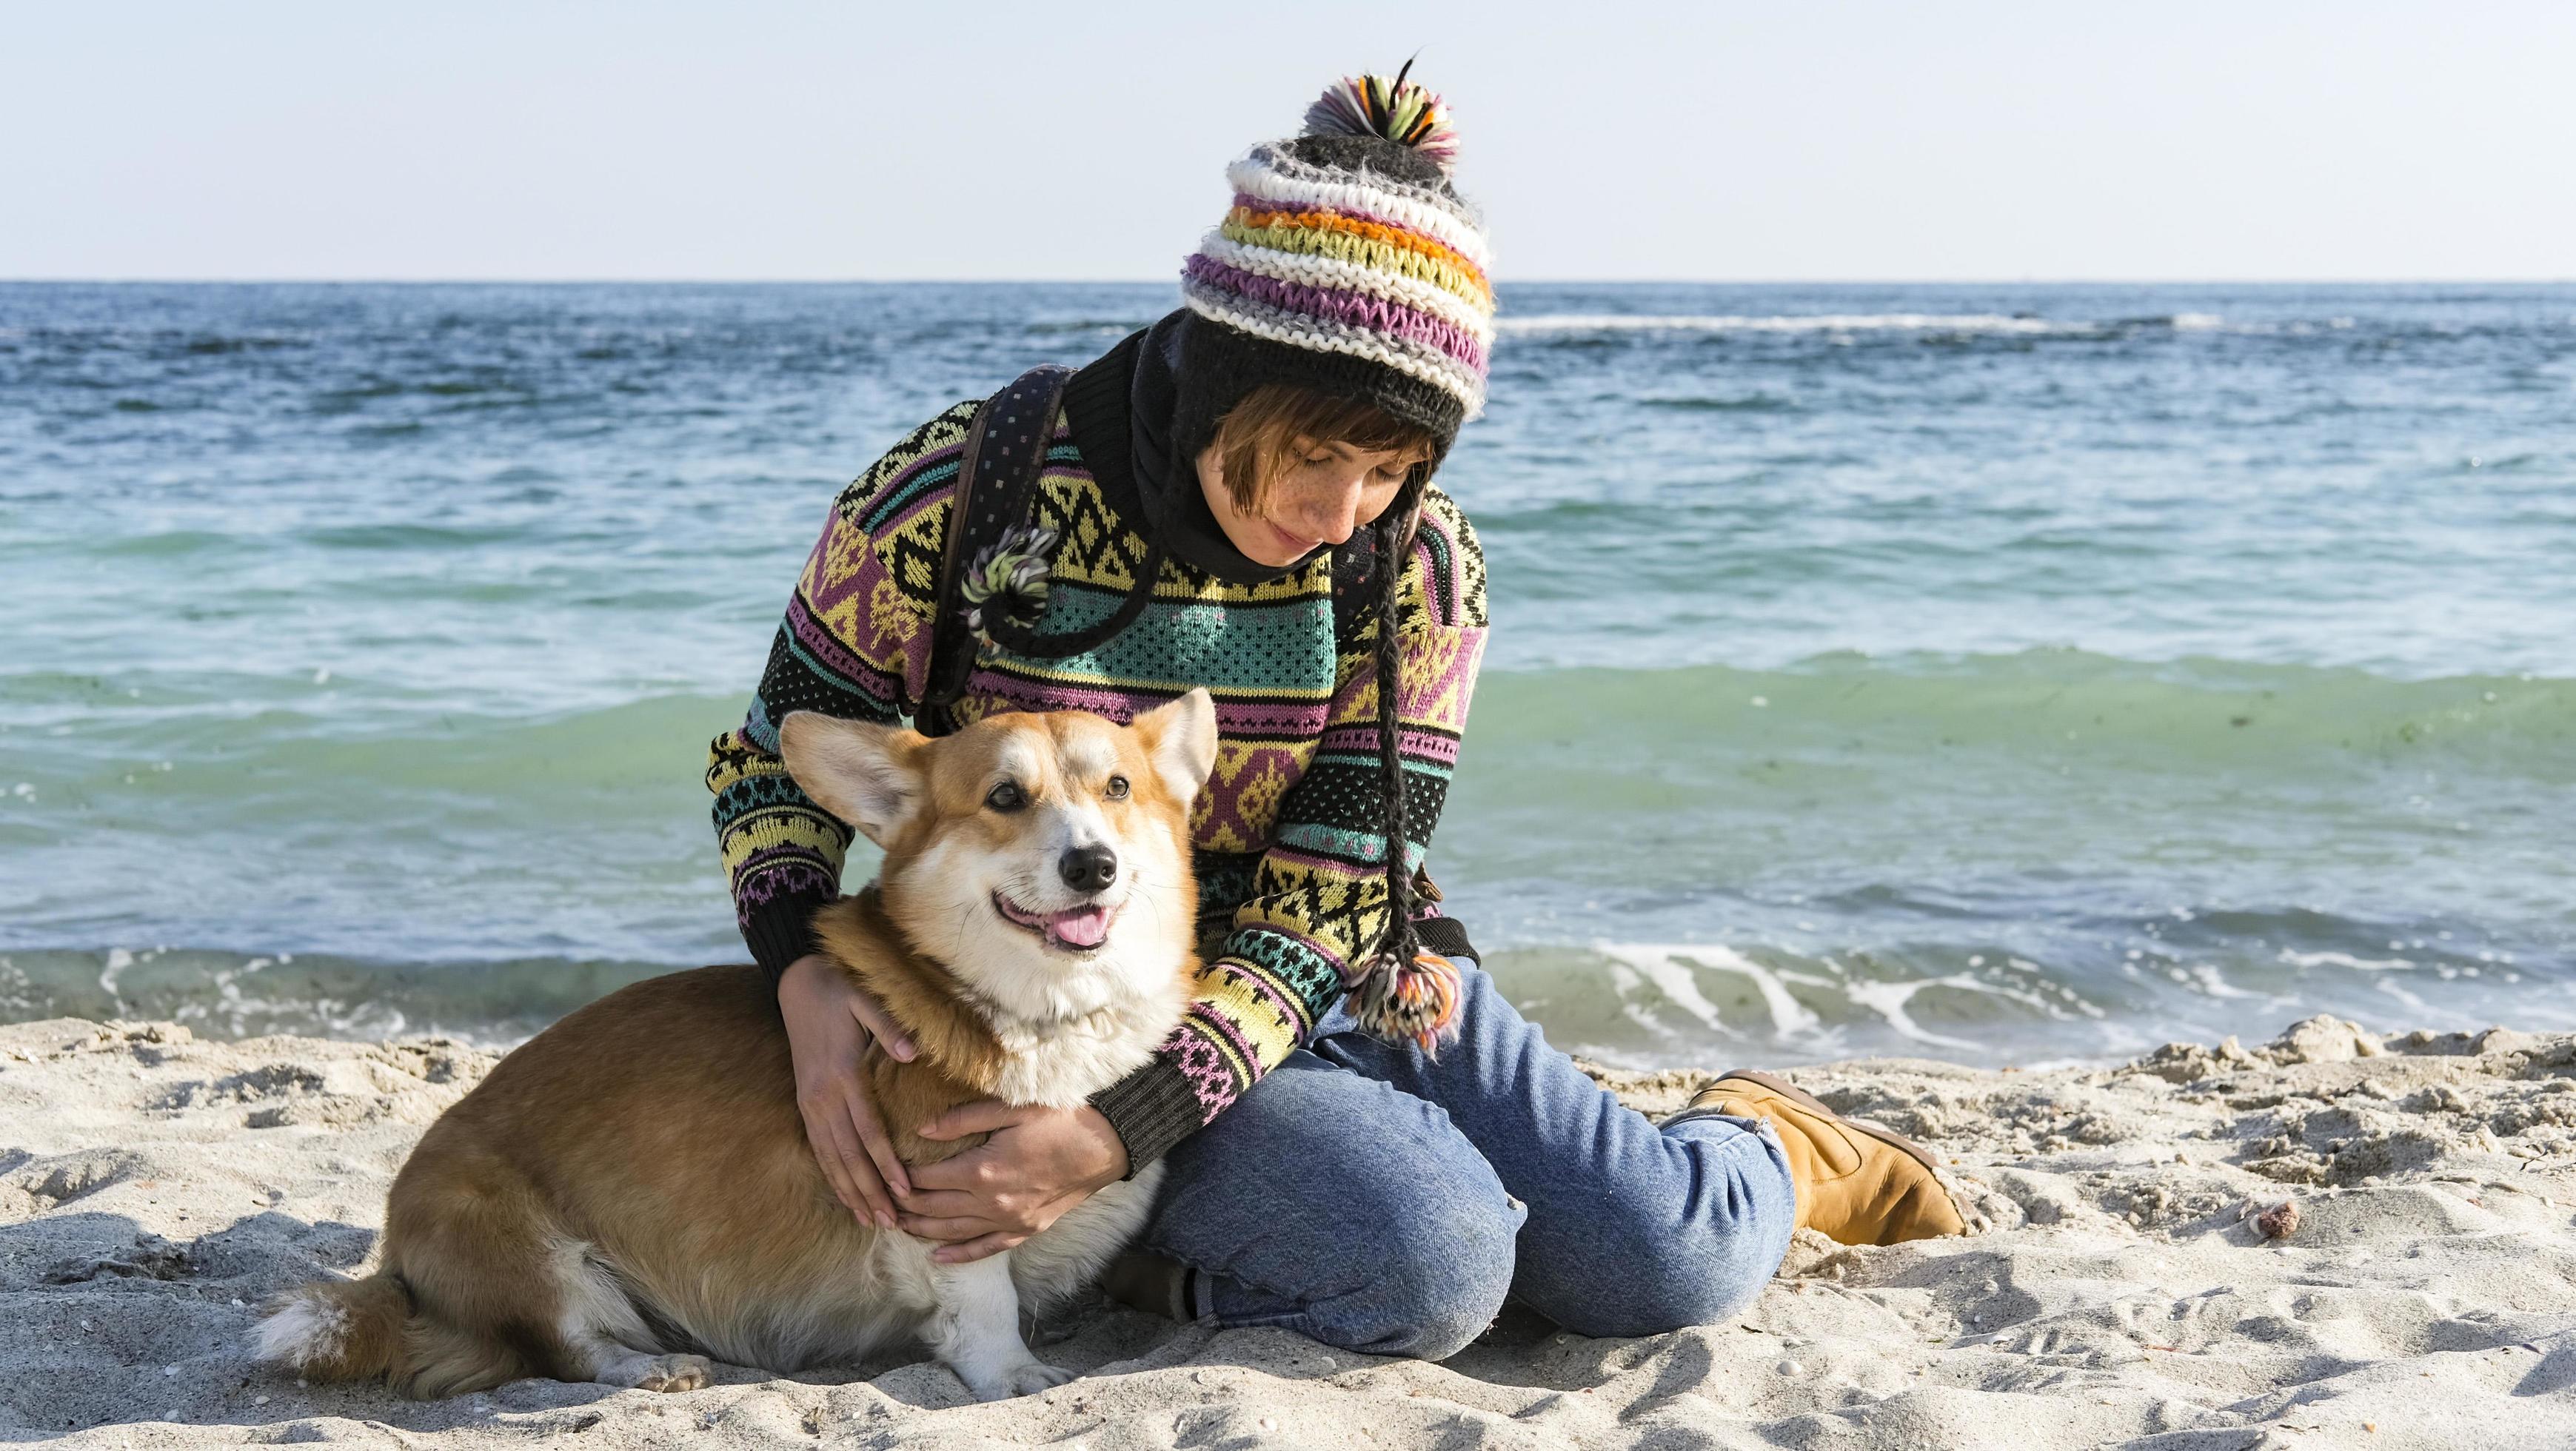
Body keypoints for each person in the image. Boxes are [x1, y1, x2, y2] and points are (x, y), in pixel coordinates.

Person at [706, 69, 1964, 1361]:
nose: (1341, 512)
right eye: (1313, 453)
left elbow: (1341, 890)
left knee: (1662, 1262)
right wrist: (802, 973)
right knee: (1431, 1268)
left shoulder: (1418, 567)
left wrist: (1114, 1133)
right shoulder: (961, 491)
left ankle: (1768, 1138)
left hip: (1349, 980)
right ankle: (1211, 1243)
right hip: (1059, 1006)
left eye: (1391, 468)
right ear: (1222, 376)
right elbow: (773, 761)